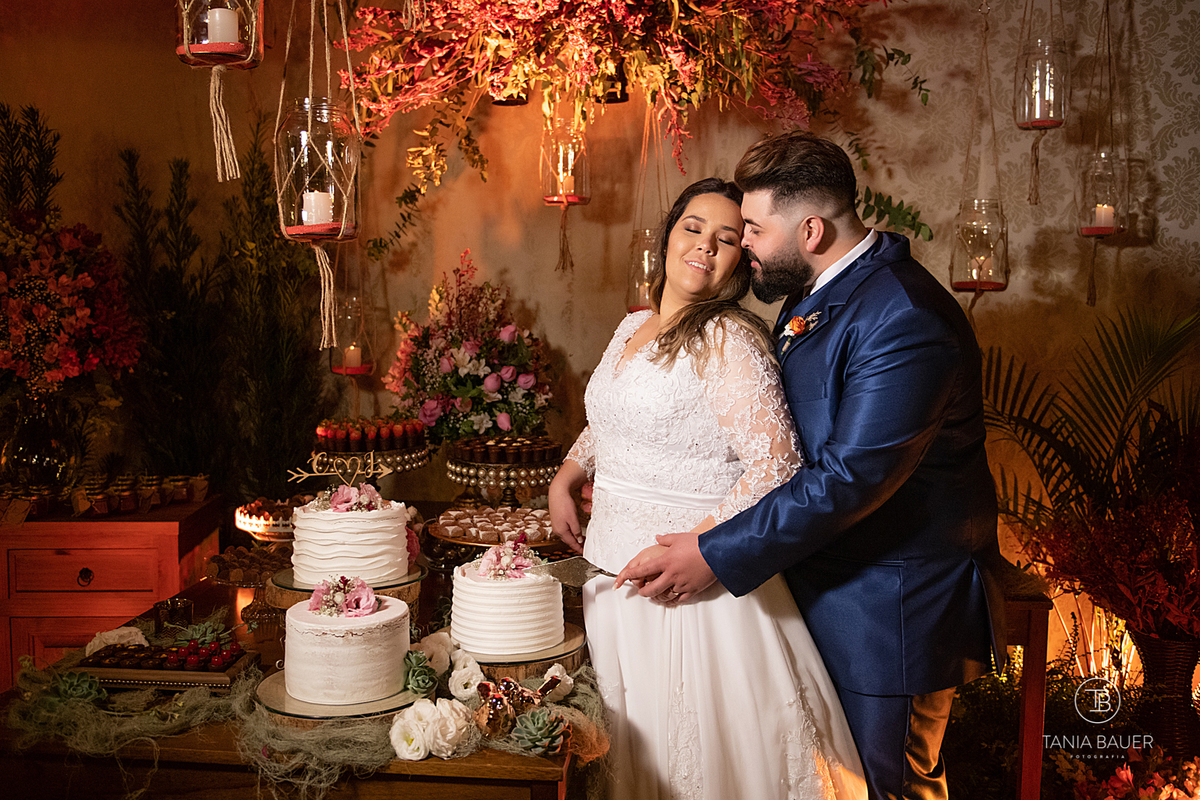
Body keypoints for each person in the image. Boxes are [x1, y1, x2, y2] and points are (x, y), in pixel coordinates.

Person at [615, 131, 1007, 800]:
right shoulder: (819, 289)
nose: (747, 247)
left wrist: (713, 551)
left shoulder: (905, 318)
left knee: (886, 789)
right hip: (820, 587)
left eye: (756, 231)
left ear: (814, 229)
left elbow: (849, 477)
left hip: (890, 611)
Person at [550, 178, 866, 799]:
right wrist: (568, 474)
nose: (704, 247)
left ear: (741, 264)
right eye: (693, 228)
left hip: (694, 596)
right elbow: (613, 417)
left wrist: (700, 548)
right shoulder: (632, 326)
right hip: (615, 582)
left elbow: (777, 466)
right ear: (669, 234)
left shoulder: (730, 340)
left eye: (726, 239)